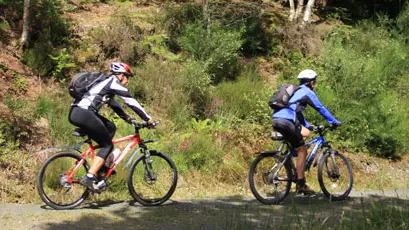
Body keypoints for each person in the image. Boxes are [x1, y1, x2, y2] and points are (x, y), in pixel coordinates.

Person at [68, 62, 154, 192]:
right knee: (108, 145)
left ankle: (100, 167)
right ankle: (90, 177)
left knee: (111, 127)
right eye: (127, 77)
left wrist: (130, 120)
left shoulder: (105, 85)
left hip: (76, 112)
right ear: (120, 75)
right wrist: (148, 119)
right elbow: (130, 101)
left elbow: (116, 107)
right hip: (84, 113)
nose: (127, 81)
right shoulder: (112, 83)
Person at [272, 69, 341, 195]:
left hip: (277, 119)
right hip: (287, 120)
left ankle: (292, 160)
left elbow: (296, 112)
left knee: (305, 134)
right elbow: (321, 108)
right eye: (314, 82)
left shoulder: (296, 92)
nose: (315, 85)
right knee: (302, 150)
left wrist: (309, 126)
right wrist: (334, 121)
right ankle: (301, 184)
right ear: (311, 83)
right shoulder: (307, 92)